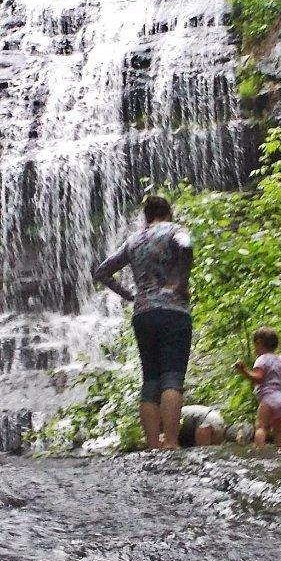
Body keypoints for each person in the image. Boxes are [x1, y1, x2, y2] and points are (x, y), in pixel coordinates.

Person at [93, 193, 194, 450]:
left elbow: (102, 272)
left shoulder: (133, 240)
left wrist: (130, 296)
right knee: (172, 377)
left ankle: (152, 444)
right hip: (173, 310)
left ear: (145, 217)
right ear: (168, 213)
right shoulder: (174, 230)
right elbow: (186, 244)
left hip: (143, 313)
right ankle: (170, 442)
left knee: (150, 378)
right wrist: (182, 283)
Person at [234, 327, 281, 449]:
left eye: (255, 346)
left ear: (258, 342)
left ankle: (261, 452)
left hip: (268, 398)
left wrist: (244, 371)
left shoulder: (262, 359)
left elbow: (259, 378)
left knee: (261, 427)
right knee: (278, 432)